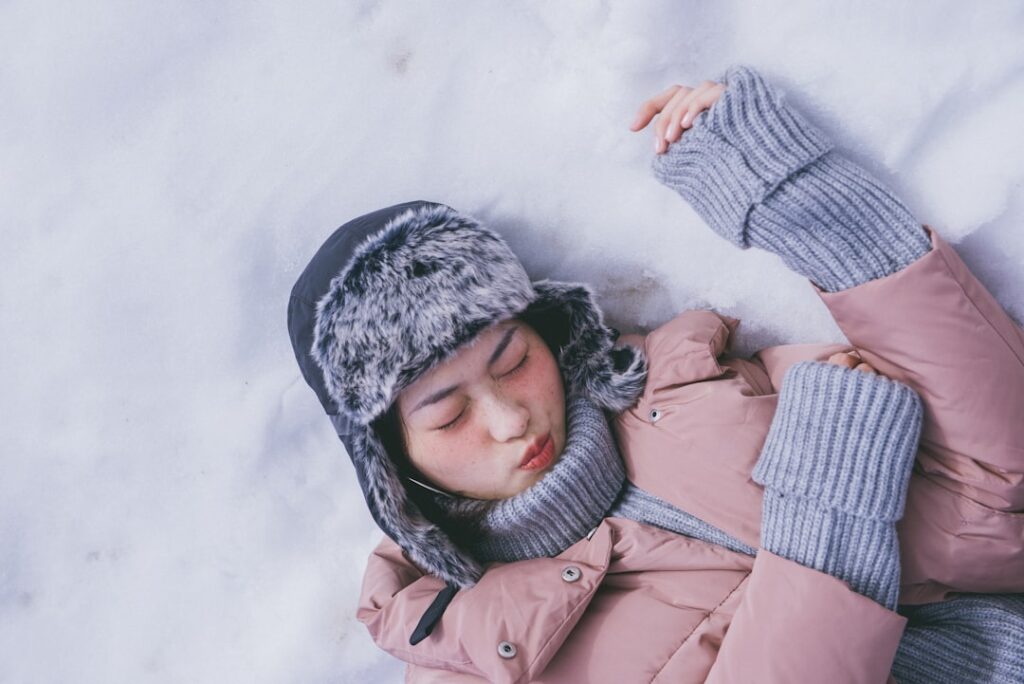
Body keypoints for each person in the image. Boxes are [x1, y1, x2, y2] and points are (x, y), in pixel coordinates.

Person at [286, 66, 1024, 683]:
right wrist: (825, 514)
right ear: (390, 460)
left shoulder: (688, 382)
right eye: (449, 415)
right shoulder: (463, 658)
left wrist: (794, 200)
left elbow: (1001, 492)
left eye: (512, 360)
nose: (512, 421)